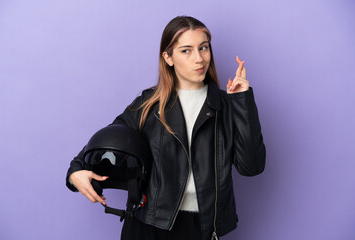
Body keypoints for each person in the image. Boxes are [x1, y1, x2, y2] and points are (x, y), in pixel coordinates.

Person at [66, 16, 266, 240]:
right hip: (148, 225)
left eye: (204, 48)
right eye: (186, 51)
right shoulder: (149, 103)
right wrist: (75, 170)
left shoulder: (228, 106)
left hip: (202, 227)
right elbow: (110, 138)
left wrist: (242, 101)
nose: (199, 59)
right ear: (168, 57)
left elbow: (252, 167)